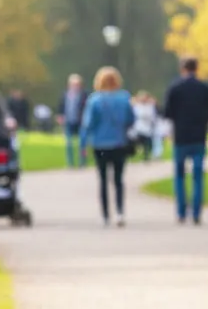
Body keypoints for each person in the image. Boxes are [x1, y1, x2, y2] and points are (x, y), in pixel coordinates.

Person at [162, 57, 208, 225]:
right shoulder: (204, 89)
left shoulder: (175, 88)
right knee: (198, 175)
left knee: (179, 175)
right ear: (197, 68)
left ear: (182, 69)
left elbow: (167, 113)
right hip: (199, 136)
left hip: (181, 137)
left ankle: (181, 211)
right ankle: (196, 212)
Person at [80, 66, 135, 227]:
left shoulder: (95, 100)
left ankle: (105, 215)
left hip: (100, 144)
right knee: (118, 180)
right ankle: (120, 212)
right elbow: (131, 120)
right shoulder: (124, 98)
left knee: (103, 180)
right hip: (119, 143)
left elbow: (88, 123)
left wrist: (83, 144)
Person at [56, 74, 88, 168]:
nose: (75, 86)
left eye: (77, 84)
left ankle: (82, 162)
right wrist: (60, 116)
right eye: (73, 84)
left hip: (81, 122)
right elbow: (61, 107)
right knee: (69, 143)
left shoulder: (84, 95)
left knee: (82, 142)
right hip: (69, 121)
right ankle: (70, 163)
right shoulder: (65, 95)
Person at [130, 90, 158, 162]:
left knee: (147, 143)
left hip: (148, 128)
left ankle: (146, 155)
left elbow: (153, 116)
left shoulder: (150, 106)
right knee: (139, 142)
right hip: (139, 127)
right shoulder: (137, 106)